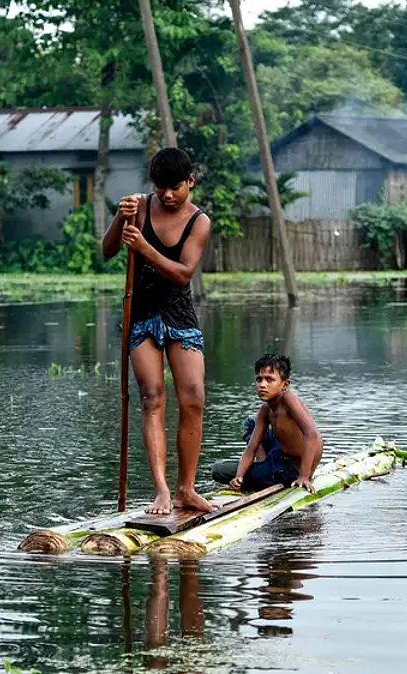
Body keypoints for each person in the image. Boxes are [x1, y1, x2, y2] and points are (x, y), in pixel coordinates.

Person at [102, 147, 214, 515]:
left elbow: (183, 273)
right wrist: (121, 219)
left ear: (190, 183)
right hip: (142, 313)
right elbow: (107, 251)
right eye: (160, 187)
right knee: (152, 398)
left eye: (174, 188)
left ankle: (187, 489)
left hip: (179, 314)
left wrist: (146, 249)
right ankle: (162, 492)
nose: (167, 195)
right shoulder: (139, 206)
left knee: (194, 398)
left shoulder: (199, 221)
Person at [212, 354, 324, 493]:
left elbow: (312, 434)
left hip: (290, 469)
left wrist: (304, 476)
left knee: (220, 470)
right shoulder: (265, 409)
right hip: (278, 454)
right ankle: (261, 466)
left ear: (285, 384)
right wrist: (238, 476)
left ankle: (262, 475)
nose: (262, 385)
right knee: (251, 423)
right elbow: (252, 448)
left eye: (269, 380)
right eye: (259, 379)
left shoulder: (289, 399)